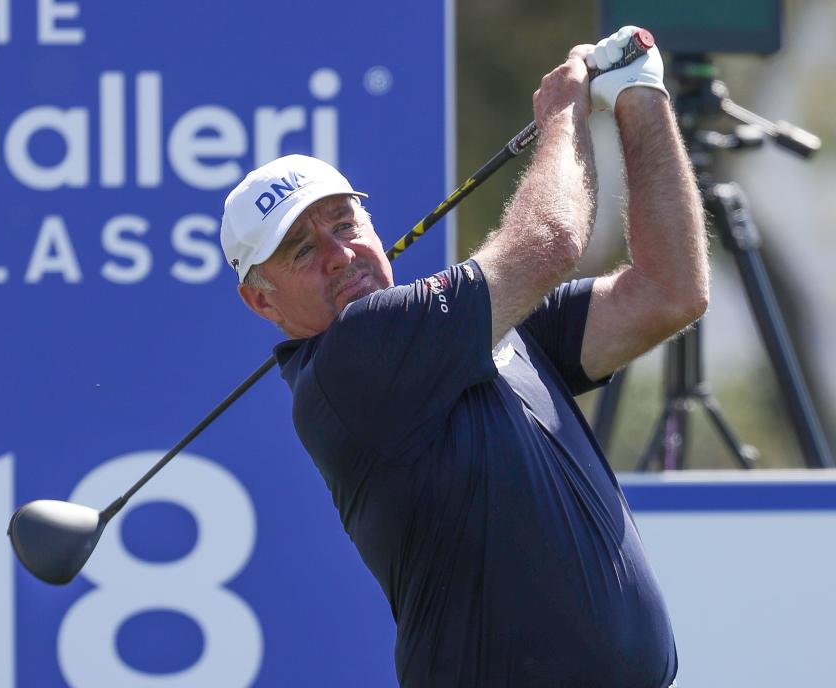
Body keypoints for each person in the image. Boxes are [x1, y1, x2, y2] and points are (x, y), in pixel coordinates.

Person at [220, 26, 706, 688]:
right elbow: (551, 240)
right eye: (302, 250)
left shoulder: (481, 329)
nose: (339, 253)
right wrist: (563, 112)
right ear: (262, 301)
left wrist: (641, 99)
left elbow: (669, 291)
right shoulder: (351, 358)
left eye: (344, 223)